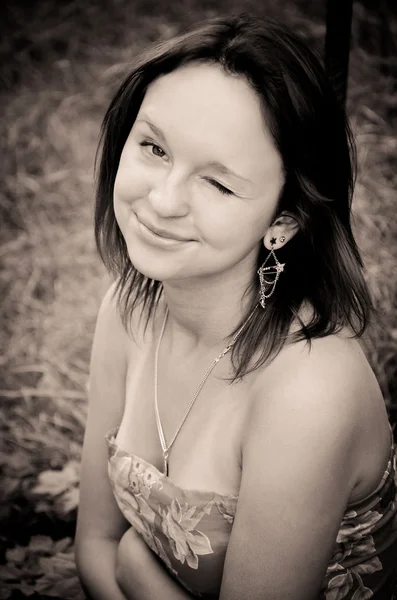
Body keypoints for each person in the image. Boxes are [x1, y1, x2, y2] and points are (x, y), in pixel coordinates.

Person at [74, 13, 397, 600]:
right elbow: (95, 544)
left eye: (218, 184)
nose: (163, 200)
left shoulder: (307, 391)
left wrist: (136, 568)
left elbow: (119, 555)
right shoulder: (127, 310)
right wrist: (119, 560)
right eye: (153, 147)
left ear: (283, 221)